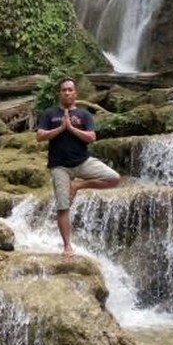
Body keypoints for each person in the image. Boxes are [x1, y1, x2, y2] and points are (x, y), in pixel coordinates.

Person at [36, 76, 120, 255]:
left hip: (83, 161)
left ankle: (78, 185)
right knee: (63, 205)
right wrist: (60, 128)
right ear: (59, 93)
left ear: (75, 93)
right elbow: (40, 136)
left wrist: (71, 129)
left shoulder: (84, 114)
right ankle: (67, 246)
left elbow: (92, 137)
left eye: (70, 90)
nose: (67, 92)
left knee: (114, 178)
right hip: (59, 166)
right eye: (64, 90)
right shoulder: (49, 113)